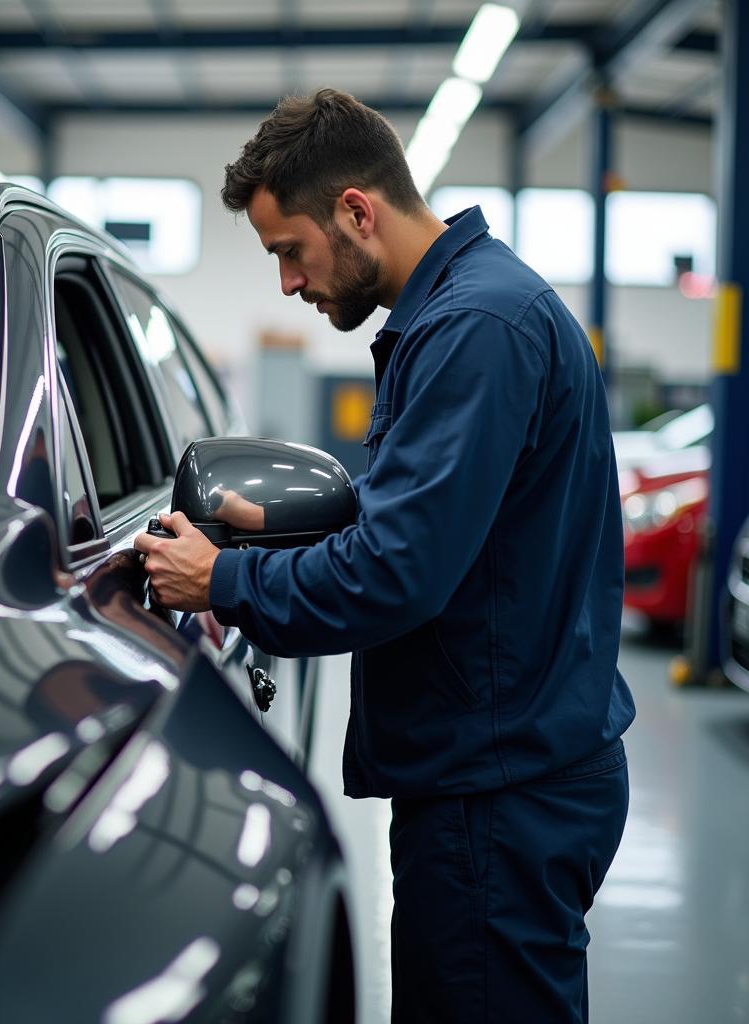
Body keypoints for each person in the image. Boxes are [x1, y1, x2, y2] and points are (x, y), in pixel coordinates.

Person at [133, 88, 635, 1024]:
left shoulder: (473, 330)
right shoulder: (463, 312)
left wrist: (224, 580)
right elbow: (451, 524)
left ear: (357, 210)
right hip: (506, 765)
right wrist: (294, 528)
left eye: (291, 251)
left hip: (497, 790)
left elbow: (400, 573)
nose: (288, 283)